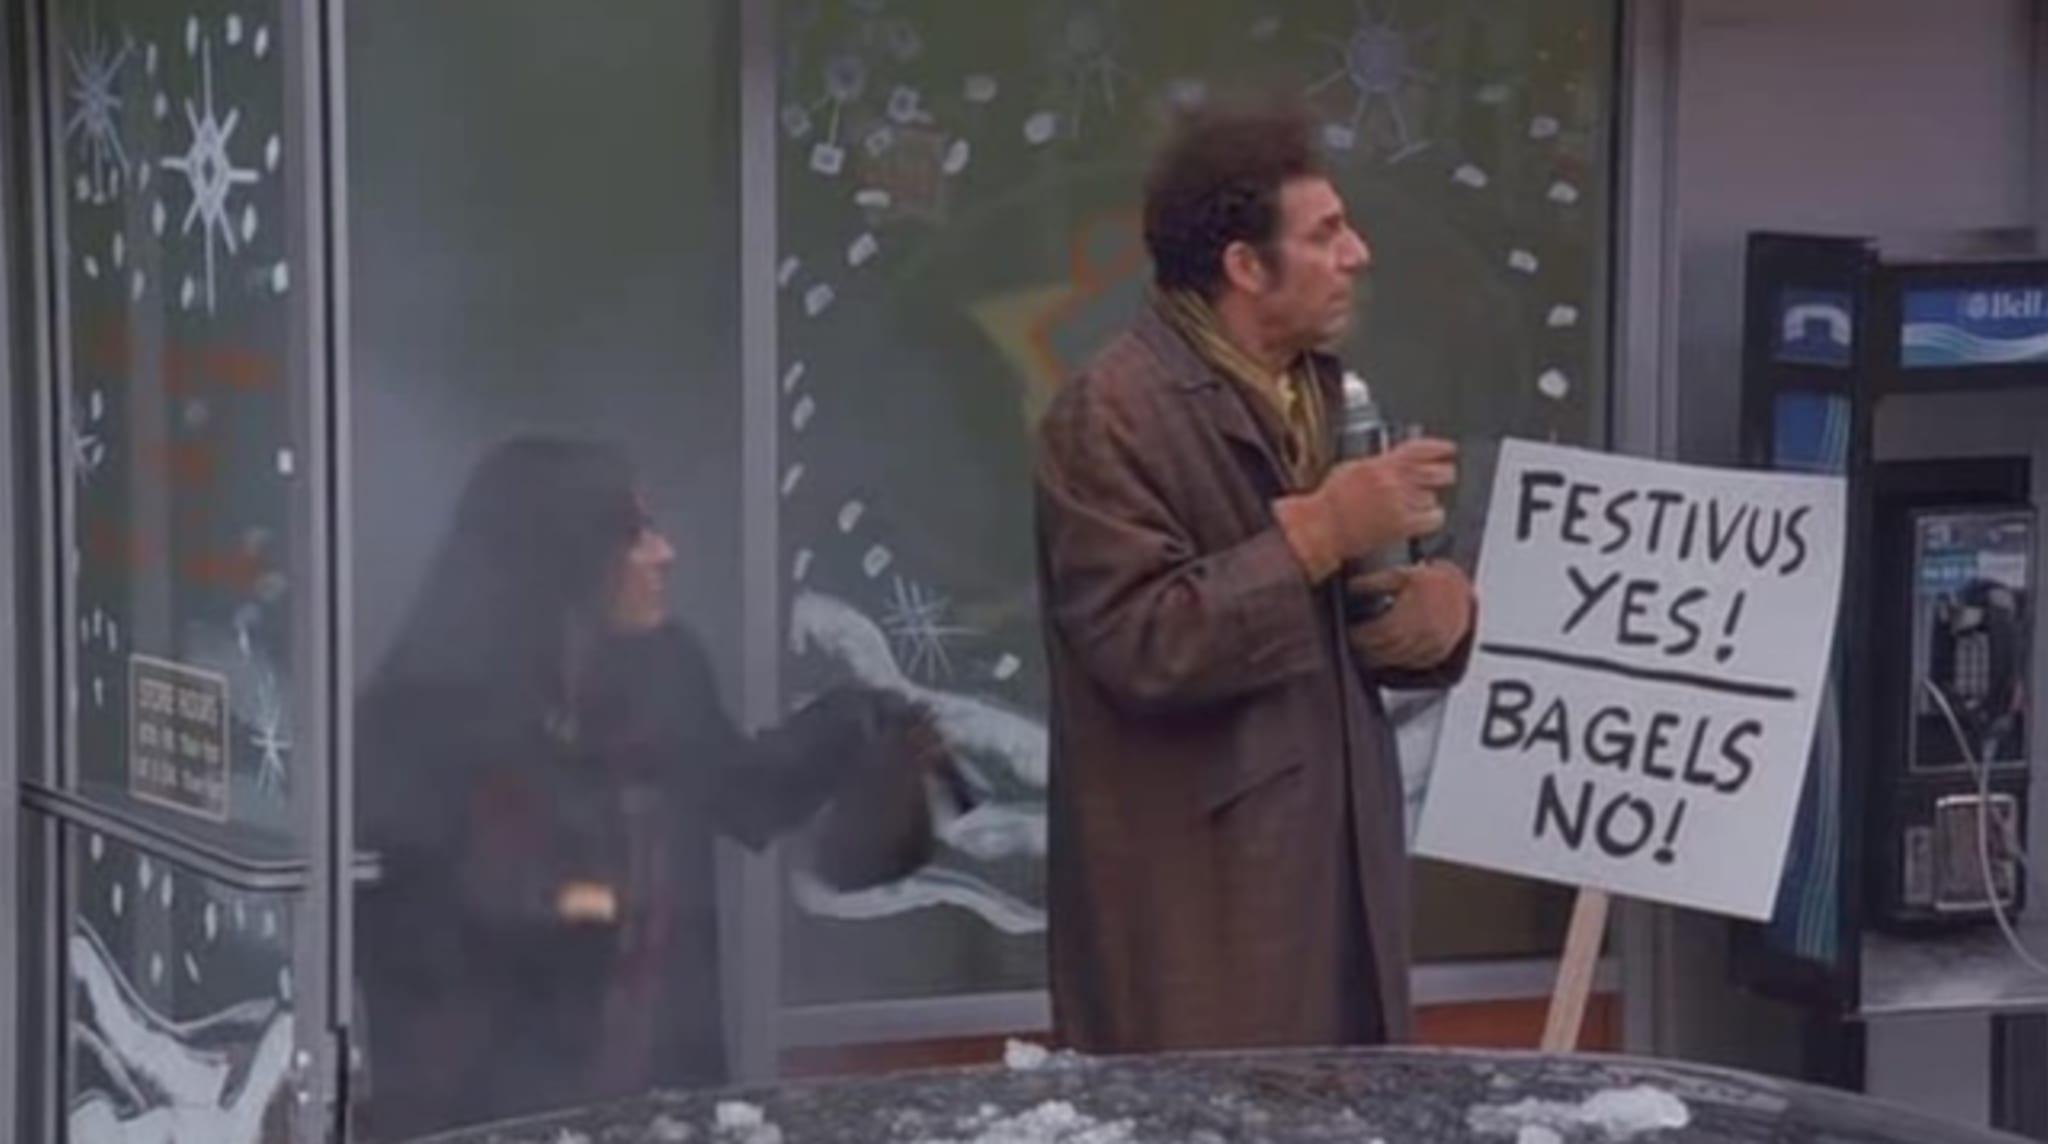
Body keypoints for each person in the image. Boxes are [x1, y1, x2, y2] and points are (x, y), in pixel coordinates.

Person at [1033, 96, 1477, 1054]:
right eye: (1325, 234)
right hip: (1207, 914)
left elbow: (1344, 609)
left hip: (1336, 881)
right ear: (1244, 265)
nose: (1357, 253)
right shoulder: (1112, 412)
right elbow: (1143, 643)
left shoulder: (1327, 389)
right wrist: (1321, 529)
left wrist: (1432, 607)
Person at [353, 437, 944, 1140]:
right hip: (493, 1108)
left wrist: (857, 725)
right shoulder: (424, 717)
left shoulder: (662, 671)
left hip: (658, 1096)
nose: (665, 553)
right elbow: (433, 936)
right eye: (634, 534)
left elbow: (744, 794)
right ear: (564, 553)